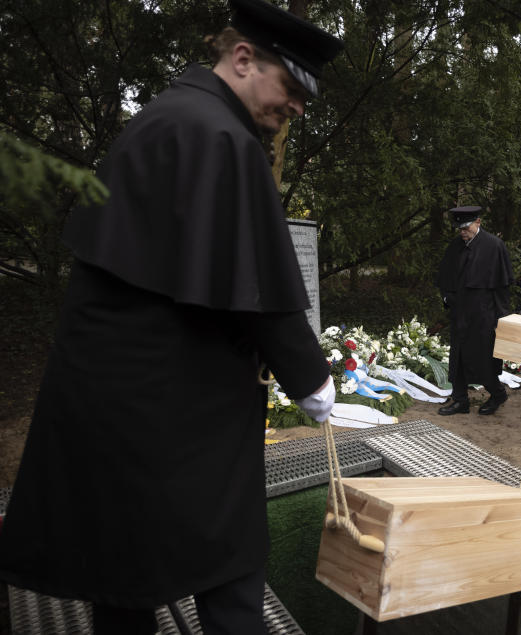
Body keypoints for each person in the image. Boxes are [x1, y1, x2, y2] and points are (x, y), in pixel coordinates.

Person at [0, 1, 342, 632]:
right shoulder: (219, 136)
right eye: (290, 88)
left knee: (124, 576)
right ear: (243, 58)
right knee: (230, 565)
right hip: (170, 414)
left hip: (123, 406)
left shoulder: (172, 115)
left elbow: (214, 275)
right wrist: (313, 379)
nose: (296, 107)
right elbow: (259, 291)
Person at [436, 206, 514, 416]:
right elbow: (444, 276)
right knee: (458, 359)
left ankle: (497, 394)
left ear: (478, 222)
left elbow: (502, 286)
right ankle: (460, 400)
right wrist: (447, 297)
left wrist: (502, 318)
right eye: (459, 228)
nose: (463, 232)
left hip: (484, 315)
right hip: (460, 312)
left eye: (466, 227)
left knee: (484, 360)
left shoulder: (494, 246)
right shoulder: (455, 246)